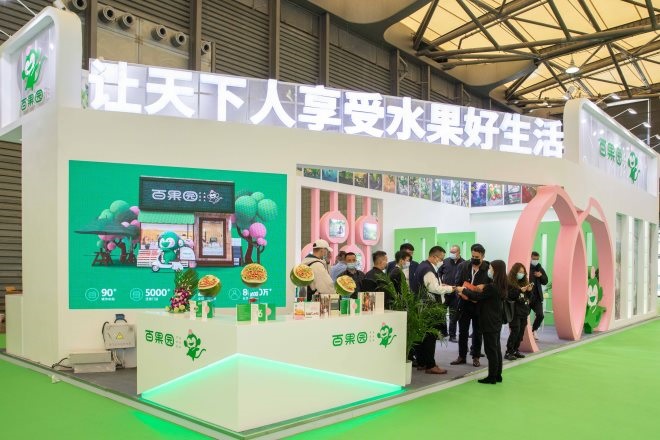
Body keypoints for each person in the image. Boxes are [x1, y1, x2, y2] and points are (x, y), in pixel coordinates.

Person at [457, 259, 506, 384]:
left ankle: (492, 377)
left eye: (491, 269)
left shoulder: (492, 287)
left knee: (491, 350)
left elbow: (476, 297)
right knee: (496, 349)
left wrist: (463, 289)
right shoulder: (501, 285)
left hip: (489, 320)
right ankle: (497, 375)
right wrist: (483, 287)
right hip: (496, 320)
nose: (489, 271)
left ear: (496, 271)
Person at [412, 246, 455, 375]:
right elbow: (434, 289)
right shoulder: (428, 270)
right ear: (434, 257)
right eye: (441, 258)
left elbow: (431, 286)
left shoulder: (423, 266)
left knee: (424, 336)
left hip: (423, 307)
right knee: (430, 337)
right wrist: (451, 289)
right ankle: (430, 365)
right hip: (429, 308)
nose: (442, 261)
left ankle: (423, 362)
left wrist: (442, 285)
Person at [451, 243, 488, 368]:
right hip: (464, 304)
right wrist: (461, 294)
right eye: (473, 256)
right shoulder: (463, 266)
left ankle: (476, 356)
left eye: (477, 257)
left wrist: (482, 289)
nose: (474, 259)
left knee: (478, 332)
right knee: (463, 332)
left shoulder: (488, 268)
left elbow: (489, 288)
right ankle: (461, 356)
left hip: (479, 305)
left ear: (483, 256)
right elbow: (457, 283)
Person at [505, 262, 533, 360]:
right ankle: (509, 351)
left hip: (523, 311)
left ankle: (515, 350)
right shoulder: (509, 283)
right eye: (519, 272)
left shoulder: (524, 282)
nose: (521, 274)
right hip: (514, 311)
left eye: (523, 272)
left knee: (521, 332)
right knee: (515, 331)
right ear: (514, 272)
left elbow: (529, 298)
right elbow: (509, 296)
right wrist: (520, 290)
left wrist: (529, 291)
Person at [439, 244, 464, 343]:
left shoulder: (464, 263)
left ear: (459, 252)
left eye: (454, 252)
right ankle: (443, 332)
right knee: (441, 313)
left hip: (456, 293)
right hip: (445, 292)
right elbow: (439, 272)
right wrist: (440, 282)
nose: (452, 253)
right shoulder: (445, 261)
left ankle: (452, 335)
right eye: (451, 252)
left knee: (453, 316)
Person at [529, 251, 549, 340]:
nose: (535, 261)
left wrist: (540, 276)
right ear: (530, 258)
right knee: (524, 316)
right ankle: (525, 334)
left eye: (537, 259)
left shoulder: (539, 268)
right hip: (527, 297)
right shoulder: (526, 267)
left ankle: (533, 330)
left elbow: (545, 281)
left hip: (537, 297)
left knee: (540, 315)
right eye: (534, 259)